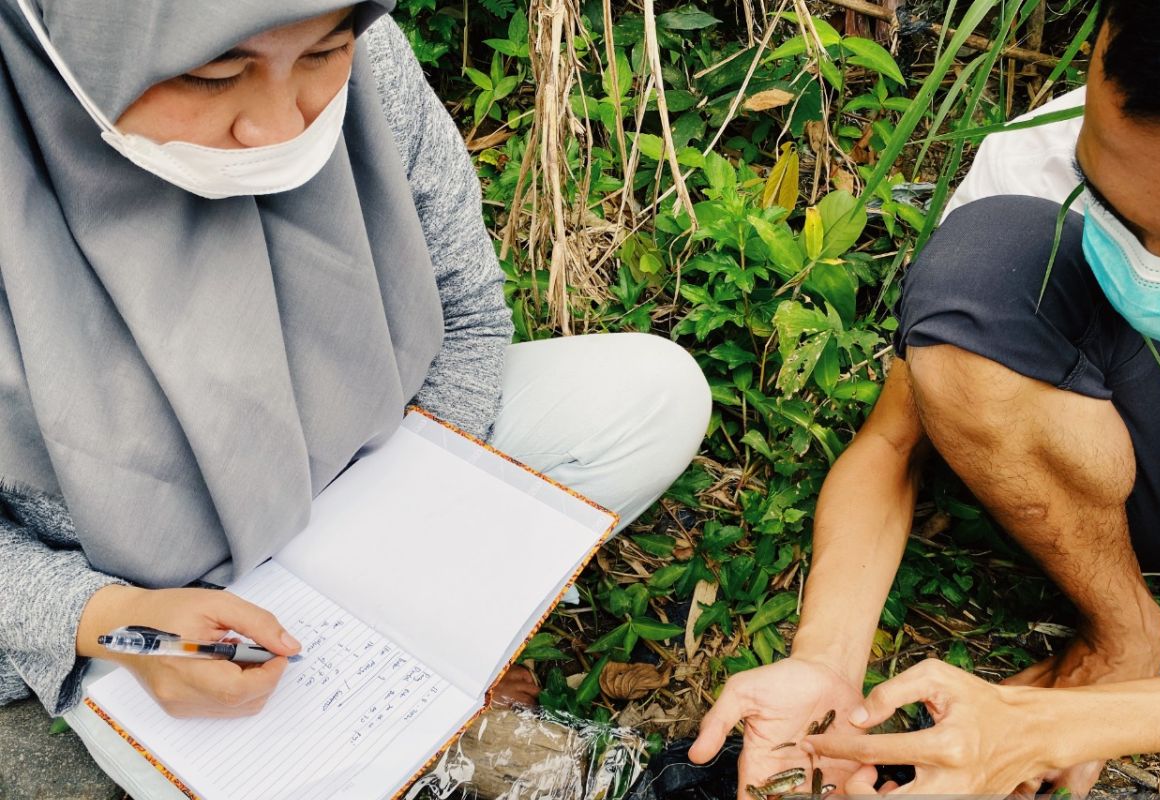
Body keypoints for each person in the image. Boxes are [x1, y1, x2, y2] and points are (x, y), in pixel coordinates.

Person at [0, 1, 711, 797]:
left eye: (320, 56)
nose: (278, 128)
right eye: (214, 73)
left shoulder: (365, 61)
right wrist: (108, 622)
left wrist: (401, 555)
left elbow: (468, 309)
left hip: (376, 469)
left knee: (651, 398)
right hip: (145, 590)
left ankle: (415, 682)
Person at [688, 0, 1160, 795]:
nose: (1150, 260)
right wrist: (824, 659)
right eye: (1107, 202)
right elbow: (894, 441)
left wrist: (1038, 730)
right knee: (983, 275)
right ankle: (1125, 629)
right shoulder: (1035, 163)